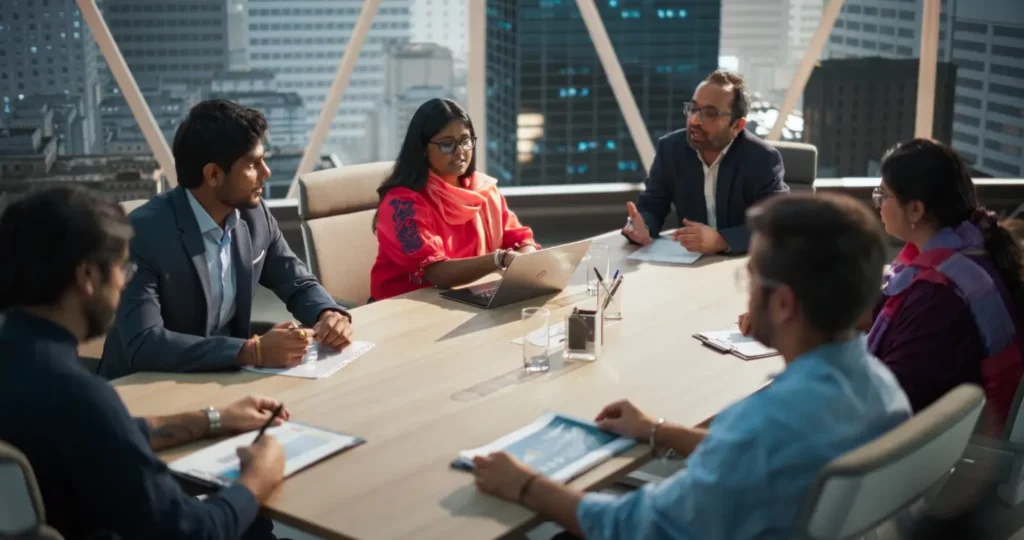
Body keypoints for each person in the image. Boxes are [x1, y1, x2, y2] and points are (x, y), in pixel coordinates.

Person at [471, 194, 911, 539]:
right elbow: (762, 459)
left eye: (751, 276)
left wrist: (524, 485)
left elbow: (630, 527)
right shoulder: (877, 384)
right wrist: (660, 431)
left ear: (782, 304)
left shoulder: (766, 423)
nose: (747, 290)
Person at [0, 186, 288, 539]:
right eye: (123, 268)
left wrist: (214, 419)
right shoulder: (78, 395)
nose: (124, 283)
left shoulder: (23, 364)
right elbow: (191, 533)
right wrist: (257, 478)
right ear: (88, 277)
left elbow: (104, 435)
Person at [99, 100, 352, 379]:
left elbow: (297, 282)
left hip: (220, 377)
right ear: (214, 175)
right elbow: (144, 344)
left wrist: (327, 314)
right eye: (254, 164)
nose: (266, 173)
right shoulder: (143, 235)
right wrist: (250, 352)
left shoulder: (255, 217)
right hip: (143, 386)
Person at [865, 140, 1023, 428]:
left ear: (915, 210)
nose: (877, 203)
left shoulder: (938, 297)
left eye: (883, 194)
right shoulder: (965, 251)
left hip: (950, 457)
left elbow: (890, 403)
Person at [370, 98, 539, 301]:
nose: (460, 152)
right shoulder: (401, 205)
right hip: (404, 309)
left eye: (465, 141)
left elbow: (520, 239)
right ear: (423, 148)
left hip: (469, 300)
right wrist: (499, 260)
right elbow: (436, 273)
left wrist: (529, 262)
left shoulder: (483, 190)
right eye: (447, 144)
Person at [622, 71, 788, 255]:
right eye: (693, 109)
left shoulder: (762, 158)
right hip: (689, 264)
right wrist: (642, 226)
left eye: (709, 114)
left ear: (737, 126)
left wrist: (721, 240)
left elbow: (775, 224)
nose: (694, 121)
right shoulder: (671, 149)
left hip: (741, 266)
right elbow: (652, 205)